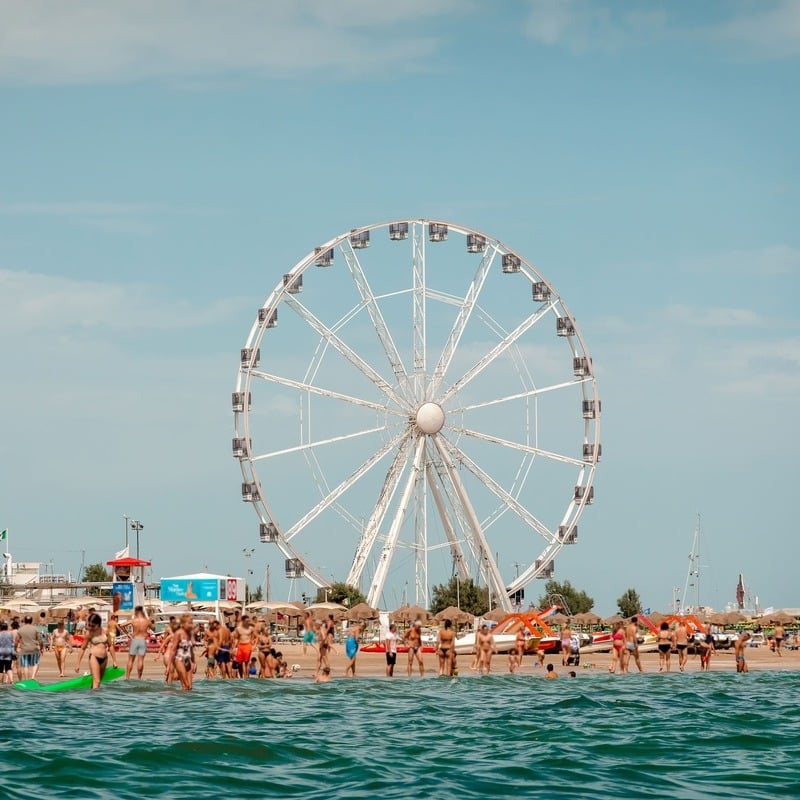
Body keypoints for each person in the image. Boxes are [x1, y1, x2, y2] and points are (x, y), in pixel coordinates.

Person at [74, 613, 108, 689]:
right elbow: (83, 648)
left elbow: (111, 645)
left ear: (98, 624)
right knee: (97, 681)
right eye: (89, 625)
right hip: (94, 657)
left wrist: (115, 661)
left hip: (104, 659)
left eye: (92, 626)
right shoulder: (89, 633)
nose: (90, 627)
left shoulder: (105, 631)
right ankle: (97, 700)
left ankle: (92, 697)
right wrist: (78, 664)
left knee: (97, 682)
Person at [167, 613, 197, 690]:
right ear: (183, 623)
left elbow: (191, 650)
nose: (191, 625)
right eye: (189, 623)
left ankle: (184, 700)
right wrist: (168, 666)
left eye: (192, 623)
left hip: (188, 660)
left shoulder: (190, 633)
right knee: (186, 684)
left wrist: (194, 662)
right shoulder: (178, 633)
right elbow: (173, 650)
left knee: (189, 687)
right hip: (179, 660)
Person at [125, 605, 154, 680]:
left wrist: (128, 634)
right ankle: (139, 677)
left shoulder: (134, 620)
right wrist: (150, 624)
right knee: (140, 660)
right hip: (142, 641)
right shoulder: (146, 621)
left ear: (136, 611)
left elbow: (121, 625)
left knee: (130, 660)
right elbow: (154, 628)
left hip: (134, 640)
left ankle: (127, 677)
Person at [17, 615, 43, 680]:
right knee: (36, 663)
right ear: (31, 621)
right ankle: (33, 677)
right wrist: (41, 648)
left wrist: (15, 648)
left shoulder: (20, 629)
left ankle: (26, 679)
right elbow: (40, 640)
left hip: (24, 649)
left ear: (25, 621)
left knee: (25, 665)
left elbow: (16, 640)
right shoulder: (35, 629)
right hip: (34, 649)